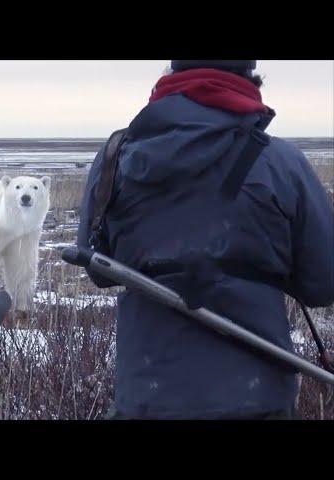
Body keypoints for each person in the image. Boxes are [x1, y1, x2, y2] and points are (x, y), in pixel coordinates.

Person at [77, 60, 334, 420]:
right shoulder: (281, 161)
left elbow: (97, 267)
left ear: (171, 77)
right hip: (257, 398)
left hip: (146, 396)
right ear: (248, 80)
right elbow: (323, 284)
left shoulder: (115, 157)